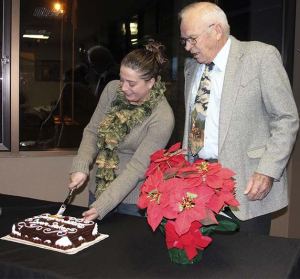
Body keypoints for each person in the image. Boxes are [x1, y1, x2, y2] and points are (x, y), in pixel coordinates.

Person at [179, 2, 299, 234]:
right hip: (198, 183)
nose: (187, 47)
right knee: (206, 265)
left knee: (247, 265)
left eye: (192, 39)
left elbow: (286, 118)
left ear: (216, 31)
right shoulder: (191, 68)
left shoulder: (260, 56)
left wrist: (268, 170)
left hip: (246, 184)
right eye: (184, 41)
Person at [68, 41, 175, 221]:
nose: (124, 87)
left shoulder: (163, 117)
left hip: (133, 201)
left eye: (131, 83)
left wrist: (104, 204)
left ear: (151, 83)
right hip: (99, 186)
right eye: (122, 79)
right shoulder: (112, 90)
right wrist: (81, 165)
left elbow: (138, 168)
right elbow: (93, 131)